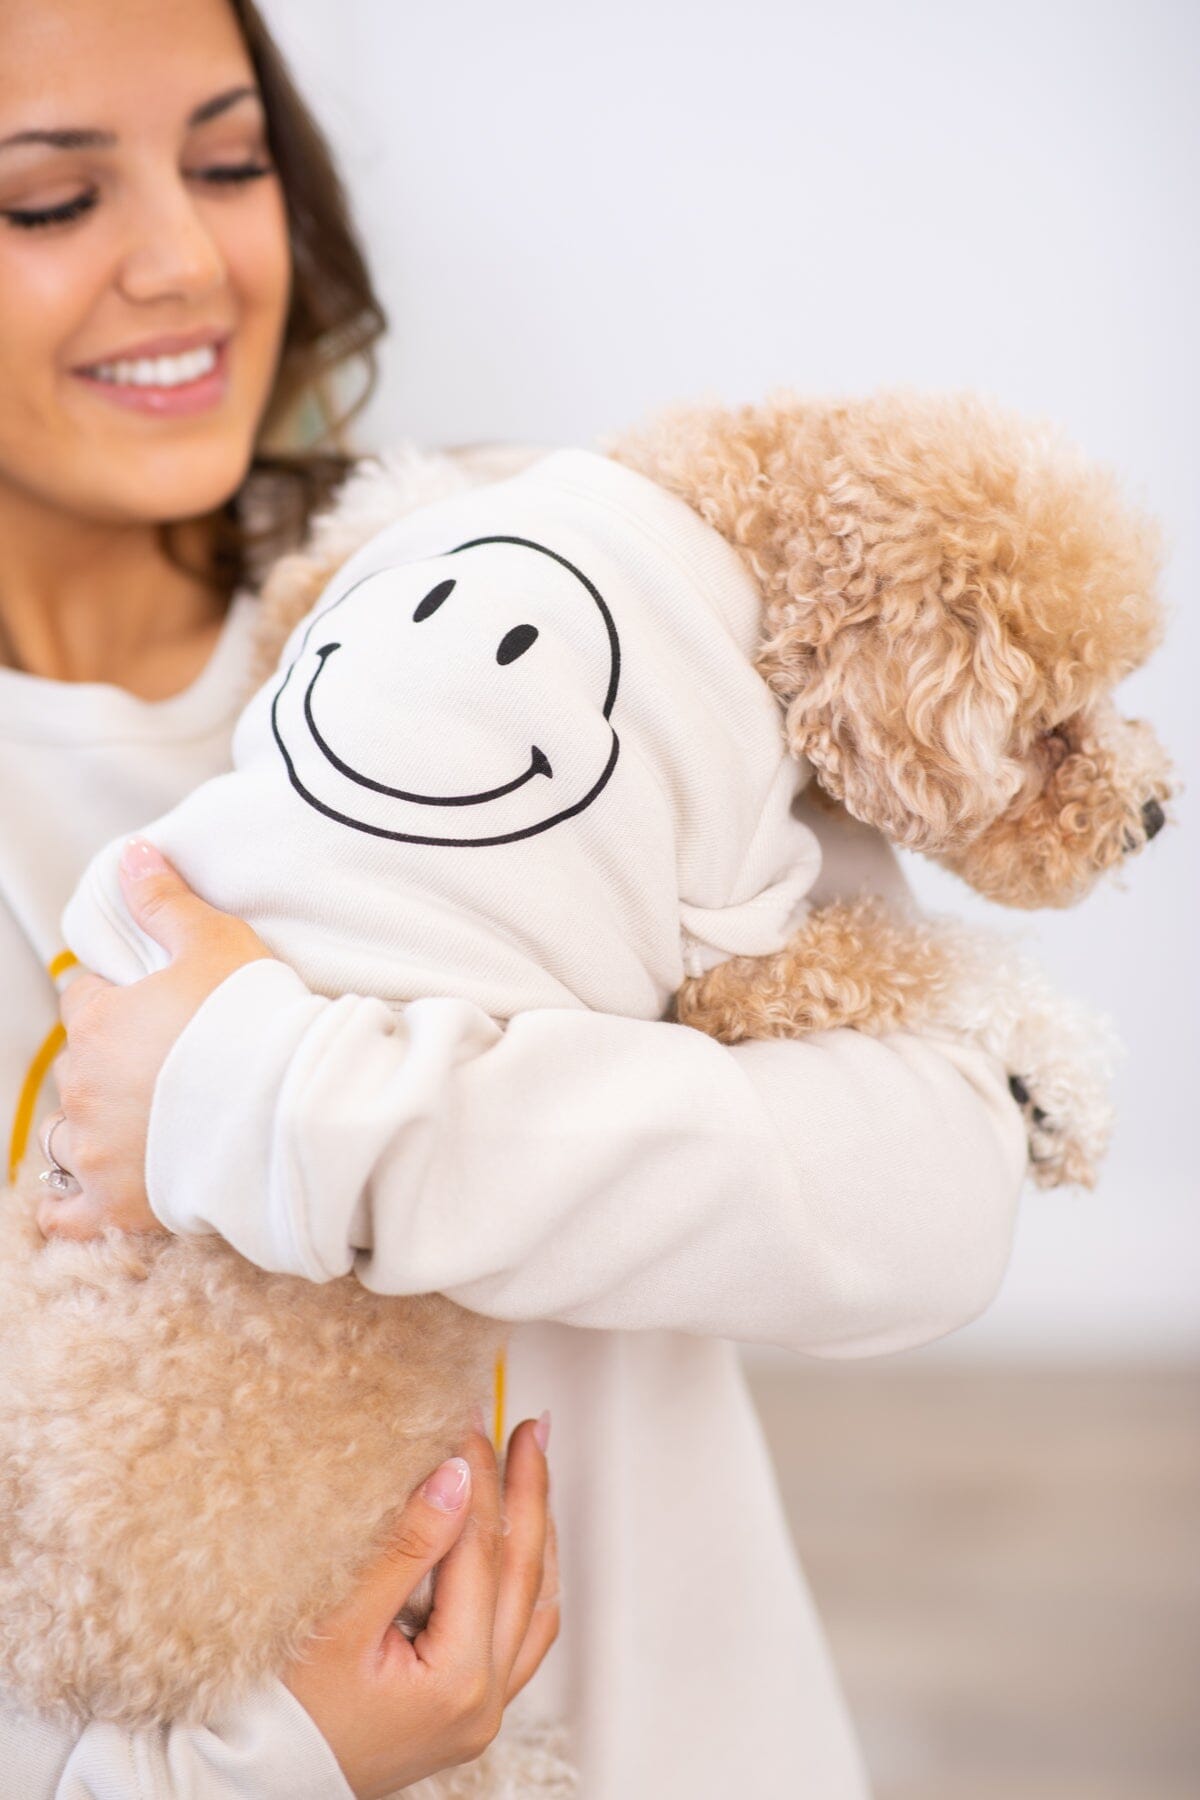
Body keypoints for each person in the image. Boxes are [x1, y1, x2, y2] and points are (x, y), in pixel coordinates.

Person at [0, 0, 1029, 1795]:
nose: (184, 258)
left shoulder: (534, 578)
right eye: (46, 201)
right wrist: (269, 1762)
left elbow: (934, 1185)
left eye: (232, 163)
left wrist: (267, 1095)